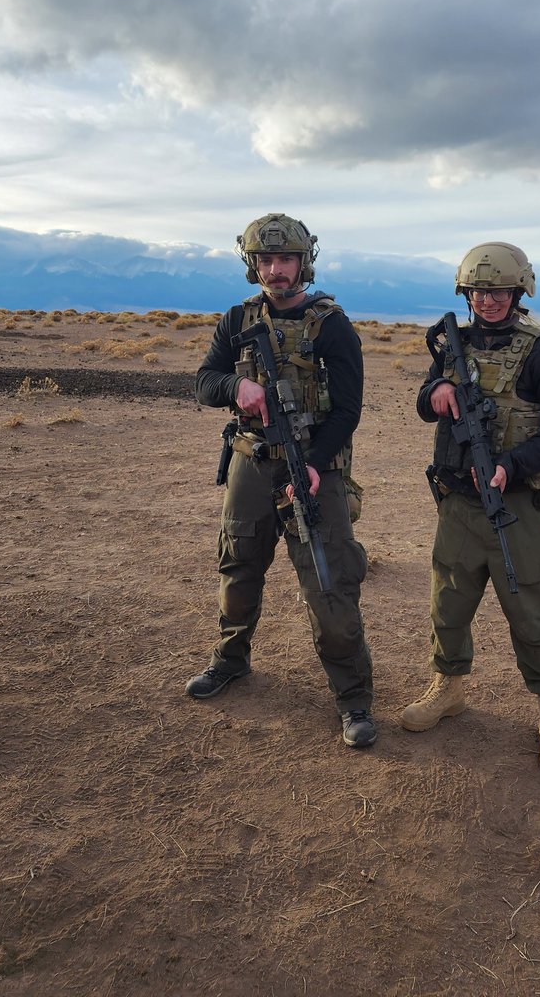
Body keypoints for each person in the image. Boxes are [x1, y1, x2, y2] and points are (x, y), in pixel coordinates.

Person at [185, 213, 375, 749]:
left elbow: (348, 410)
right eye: (265, 261)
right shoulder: (236, 319)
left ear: (303, 262)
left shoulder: (332, 325)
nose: (275, 270)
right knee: (238, 563)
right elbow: (203, 382)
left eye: (284, 259)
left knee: (329, 579)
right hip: (250, 461)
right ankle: (231, 659)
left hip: (316, 467)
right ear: (253, 265)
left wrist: (313, 463)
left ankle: (353, 697)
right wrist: (233, 387)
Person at [401, 242, 540, 776]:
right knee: (449, 604)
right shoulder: (452, 344)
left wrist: (512, 462)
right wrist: (436, 388)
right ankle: (449, 686)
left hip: (517, 506)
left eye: (499, 291)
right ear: (466, 293)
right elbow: (423, 404)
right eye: (479, 291)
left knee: (531, 609)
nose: (488, 300)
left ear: (519, 292)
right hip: (458, 503)